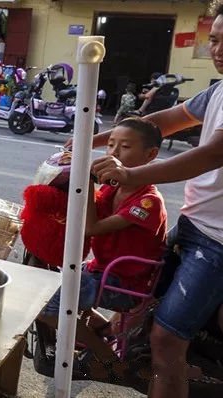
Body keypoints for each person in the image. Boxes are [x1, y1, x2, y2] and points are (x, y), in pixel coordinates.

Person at [89, 6, 223, 397]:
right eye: (214, 39)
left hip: (217, 243)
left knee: (166, 339)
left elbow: (213, 153)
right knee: (136, 305)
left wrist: (131, 174)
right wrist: (96, 139)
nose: (218, 49)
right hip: (194, 224)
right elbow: (164, 121)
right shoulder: (217, 91)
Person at [37, 118, 167, 375]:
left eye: (125, 147)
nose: (114, 153)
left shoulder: (148, 203)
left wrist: (85, 181)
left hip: (125, 284)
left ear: (150, 155)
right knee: (50, 279)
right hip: (101, 270)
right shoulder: (113, 188)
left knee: (44, 307)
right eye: (110, 145)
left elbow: (91, 227)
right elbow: (85, 211)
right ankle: (103, 330)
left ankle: (107, 357)